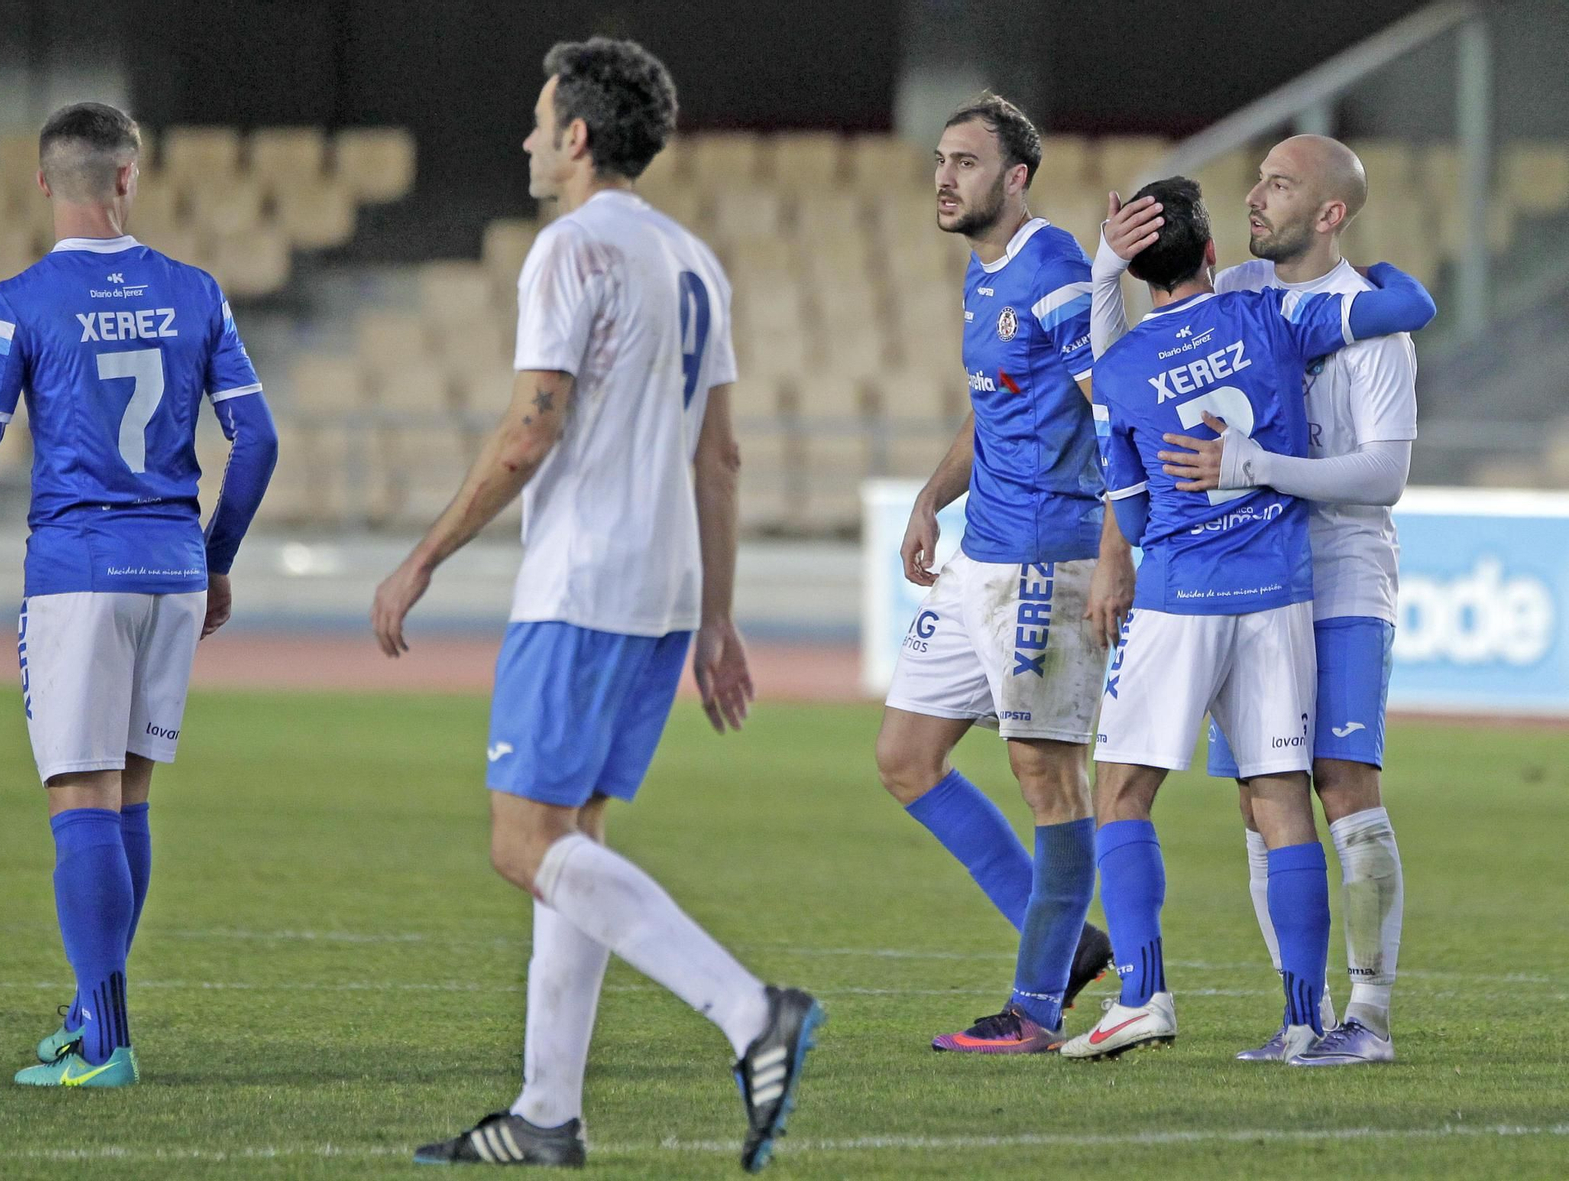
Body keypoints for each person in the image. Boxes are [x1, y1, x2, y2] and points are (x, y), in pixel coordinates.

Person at [370, 39, 820, 1172]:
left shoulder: (569, 249)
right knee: (571, 838)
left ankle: (746, 1008)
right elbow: (719, 458)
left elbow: (532, 426)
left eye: (537, 122)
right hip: (662, 591)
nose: (527, 139)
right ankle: (546, 1113)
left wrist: (422, 555)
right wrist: (715, 617)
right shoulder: (692, 259)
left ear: (576, 135)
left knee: (523, 842)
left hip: (581, 581)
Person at [1059, 177, 1434, 1062]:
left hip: (1184, 592)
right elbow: (1408, 304)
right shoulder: (1269, 317)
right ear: (1214, 255)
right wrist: (1380, 271)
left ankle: (1144, 994)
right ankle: (1306, 1017)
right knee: (1277, 797)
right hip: (1280, 591)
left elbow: (1138, 511)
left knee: (1119, 788)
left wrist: (1102, 270)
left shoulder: (1117, 366)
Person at [0, 102, 279, 1087]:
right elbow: (258, 439)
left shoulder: (15, 299)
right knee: (128, 795)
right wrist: (216, 552)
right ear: (129, 178)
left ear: (41, 183)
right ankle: (83, 1011)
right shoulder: (196, 292)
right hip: (173, 568)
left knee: (79, 798)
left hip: (79, 570)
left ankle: (106, 1044)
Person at [875, 92, 1132, 1055]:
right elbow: (994, 407)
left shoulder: (1057, 270)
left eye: (967, 163)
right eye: (940, 160)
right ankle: (1067, 948)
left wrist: (1116, 551)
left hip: (1046, 556)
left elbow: (1111, 411)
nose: (945, 178)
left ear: (1016, 178)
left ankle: (1034, 1009)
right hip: (978, 548)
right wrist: (928, 499)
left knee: (1047, 779)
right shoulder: (986, 278)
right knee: (905, 756)